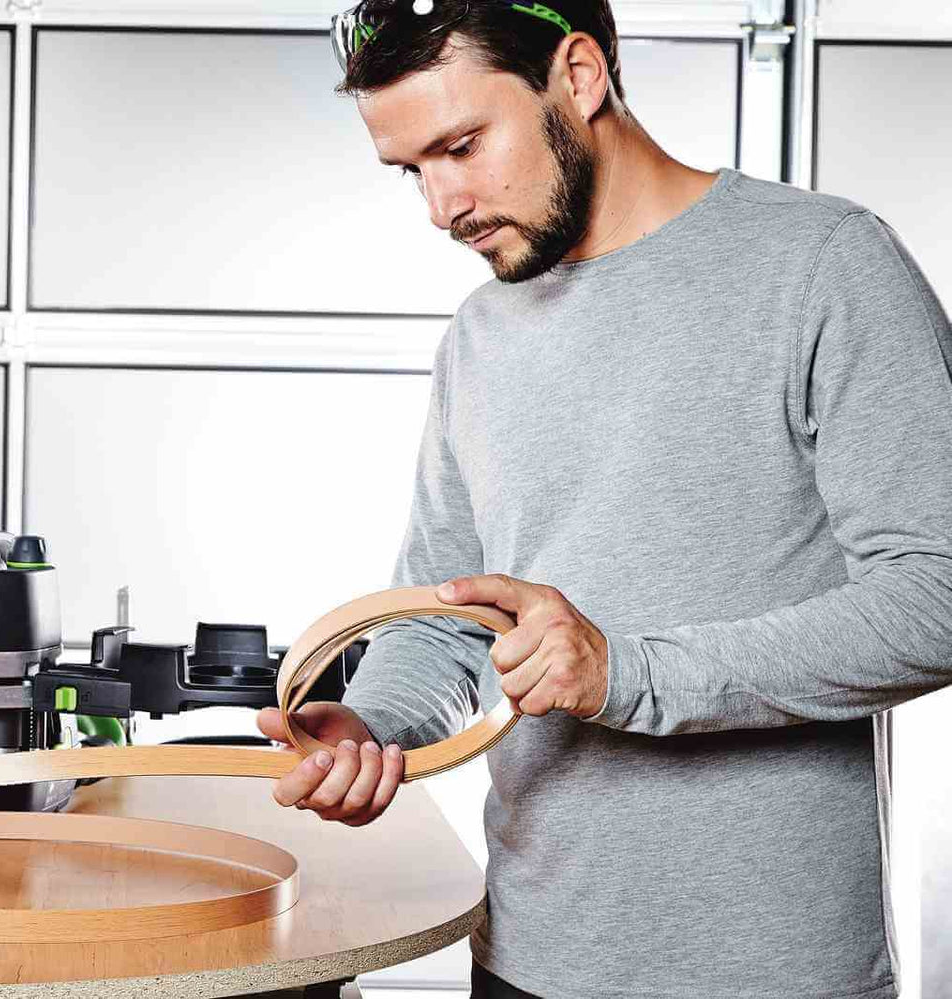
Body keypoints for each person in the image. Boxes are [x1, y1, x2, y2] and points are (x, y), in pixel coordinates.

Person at [254, 1, 952, 997]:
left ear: (578, 76)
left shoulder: (823, 265)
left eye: (461, 146)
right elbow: (444, 620)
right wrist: (374, 728)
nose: (442, 207)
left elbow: (937, 595)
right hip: (527, 958)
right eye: (412, 170)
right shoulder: (480, 337)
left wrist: (628, 673)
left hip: (773, 974)